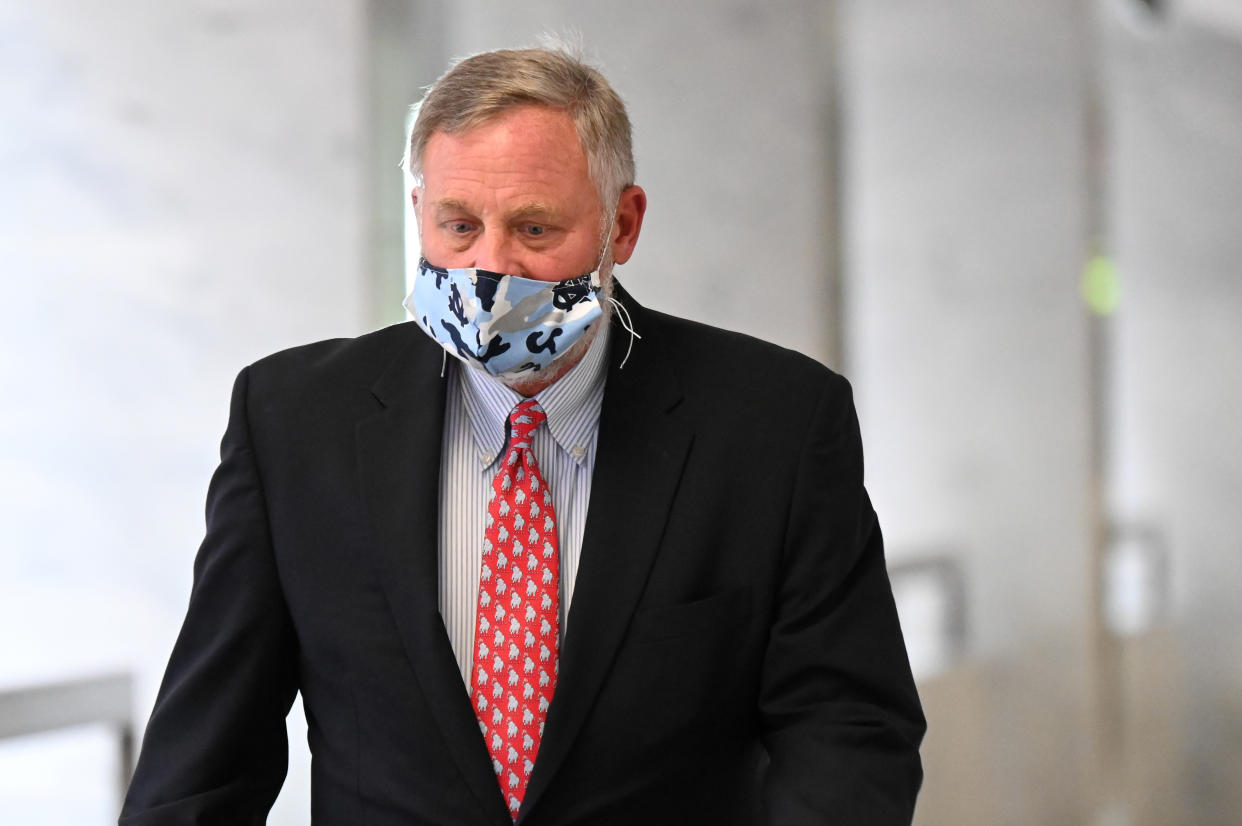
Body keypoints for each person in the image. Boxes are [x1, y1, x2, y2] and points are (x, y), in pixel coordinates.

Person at [120, 45, 925, 826]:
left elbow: (846, 728)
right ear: (417, 215)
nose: (489, 270)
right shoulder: (294, 423)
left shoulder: (774, 424)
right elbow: (204, 764)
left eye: (535, 230)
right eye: (458, 225)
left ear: (623, 224)